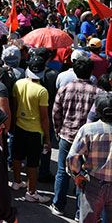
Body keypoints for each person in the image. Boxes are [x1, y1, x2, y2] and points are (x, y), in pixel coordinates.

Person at [51, 56, 104, 218]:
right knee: (84, 176)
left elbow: (56, 113)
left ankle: (58, 204)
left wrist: (58, 131)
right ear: (91, 72)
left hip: (67, 137)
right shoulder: (99, 93)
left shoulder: (65, 89)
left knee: (62, 171)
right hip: (89, 142)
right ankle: (80, 212)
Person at [10, 55, 51, 203]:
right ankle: (31, 192)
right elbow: (44, 118)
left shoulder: (18, 83)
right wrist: (47, 138)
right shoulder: (42, 91)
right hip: (35, 132)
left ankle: (16, 182)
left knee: (16, 156)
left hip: (19, 127)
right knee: (33, 163)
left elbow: (14, 107)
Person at [67, 93, 112, 223]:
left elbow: (73, 158)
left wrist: (77, 175)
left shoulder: (88, 130)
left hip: (93, 183)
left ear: (97, 111)